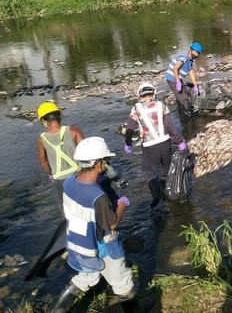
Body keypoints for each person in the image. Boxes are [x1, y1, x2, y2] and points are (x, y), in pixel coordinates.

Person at [51, 137, 134, 312]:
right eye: (106, 160)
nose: (107, 164)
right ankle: (132, 307)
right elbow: (111, 225)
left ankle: (55, 310)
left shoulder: (68, 182)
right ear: (98, 163)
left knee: (85, 277)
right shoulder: (99, 197)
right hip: (103, 247)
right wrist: (122, 204)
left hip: (79, 243)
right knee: (123, 281)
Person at [124, 82, 187, 207]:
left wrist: (128, 143)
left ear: (140, 95)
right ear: (154, 93)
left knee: (148, 172)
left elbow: (130, 128)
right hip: (165, 143)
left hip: (149, 146)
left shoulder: (136, 108)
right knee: (165, 169)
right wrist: (179, 142)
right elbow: (170, 127)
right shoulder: (162, 105)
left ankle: (157, 196)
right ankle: (167, 193)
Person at [35, 101, 84, 208]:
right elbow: (86, 151)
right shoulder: (73, 130)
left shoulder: (41, 139)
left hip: (60, 179)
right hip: (79, 174)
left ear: (43, 121)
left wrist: (50, 173)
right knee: (86, 205)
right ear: (60, 116)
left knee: (68, 209)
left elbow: (44, 163)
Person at [165, 41, 204, 117]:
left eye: (197, 53)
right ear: (190, 50)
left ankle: (181, 110)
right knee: (181, 96)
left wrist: (195, 85)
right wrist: (178, 82)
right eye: (195, 52)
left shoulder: (191, 61)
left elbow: (191, 73)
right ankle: (189, 112)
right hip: (172, 78)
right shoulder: (183, 58)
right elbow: (175, 69)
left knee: (185, 93)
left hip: (178, 78)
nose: (195, 55)